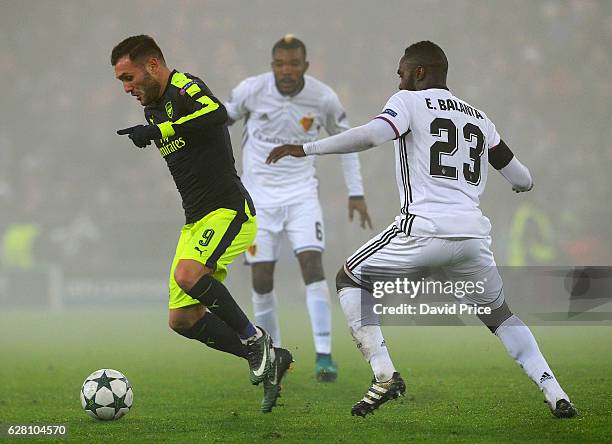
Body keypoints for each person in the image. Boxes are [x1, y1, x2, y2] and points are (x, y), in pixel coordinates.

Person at [267, 41, 576, 418]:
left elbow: (370, 136)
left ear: (418, 73)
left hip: (424, 228)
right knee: (500, 316)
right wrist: (519, 185)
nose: (397, 81)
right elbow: (522, 177)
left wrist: (306, 149)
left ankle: (383, 373)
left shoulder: (409, 103)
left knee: (349, 279)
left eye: (401, 73)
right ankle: (555, 390)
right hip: (473, 239)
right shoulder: (480, 118)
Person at [111, 35, 292, 413]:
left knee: (188, 274)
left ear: (154, 66)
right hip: (195, 220)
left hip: (229, 210)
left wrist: (160, 131)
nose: (127, 88)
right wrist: (156, 127)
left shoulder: (184, 87)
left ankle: (254, 338)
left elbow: (218, 115)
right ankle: (268, 357)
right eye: (121, 82)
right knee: (181, 318)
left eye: (129, 77)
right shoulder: (152, 107)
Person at [225, 35, 372, 381]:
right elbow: (221, 121)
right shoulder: (251, 90)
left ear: (305, 66)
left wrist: (356, 192)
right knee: (261, 277)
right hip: (258, 199)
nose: (286, 71)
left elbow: (348, 142)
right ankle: (272, 353)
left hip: (301, 196)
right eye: (279, 64)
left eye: (293, 64)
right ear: (272, 65)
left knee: (312, 266)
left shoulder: (323, 97)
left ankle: (323, 355)